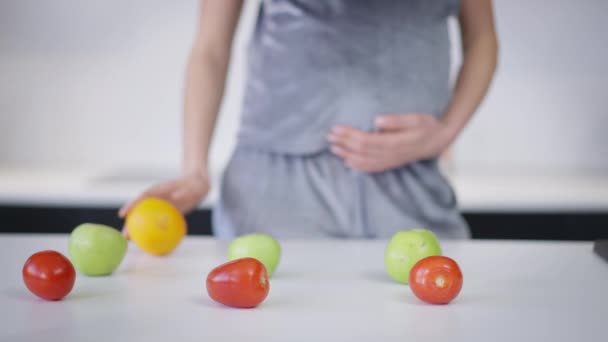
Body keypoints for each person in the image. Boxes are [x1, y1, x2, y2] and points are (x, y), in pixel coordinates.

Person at [119, 0, 498, 240]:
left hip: (409, 187)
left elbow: (482, 39)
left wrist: (446, 132)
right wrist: (195, 171)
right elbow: (210, 48)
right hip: (272, 193)